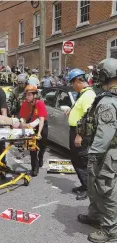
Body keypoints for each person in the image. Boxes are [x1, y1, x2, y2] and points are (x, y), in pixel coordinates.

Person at [76, 58, 117, 243]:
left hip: (105, 153)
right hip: (103, 151)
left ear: (107, 75)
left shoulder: (108, 101)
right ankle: (95, 216)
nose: (97, 75)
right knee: (94, 187)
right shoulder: (104, 96)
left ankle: (110, 229)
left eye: (100, 72)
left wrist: (94, 157)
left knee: (106, 191)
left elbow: (104, 135)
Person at [67, 68, 96, 200]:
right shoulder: (83, 94)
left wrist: (80, 135)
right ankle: (84, 185)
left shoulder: (88, 95)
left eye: (73, 83)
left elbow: (88, 118)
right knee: (76, 159)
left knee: (82, 161)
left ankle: (88, 188)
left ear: (79, 80)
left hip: (80, 132)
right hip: (75, 130)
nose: (73, 86)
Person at [19, 85, 48, 176]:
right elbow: (23, 118)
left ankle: (41, 155)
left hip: (41, 124)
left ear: (35, 95)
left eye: (30, 95)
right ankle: (34, 168)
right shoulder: (25, 104)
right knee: (33, 147)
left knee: (43, 144)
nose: (28, 97)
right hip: (31, 125)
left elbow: (42, 119)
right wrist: (23, 129)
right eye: (27, 95)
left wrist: (39, 133)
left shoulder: (40, 103)